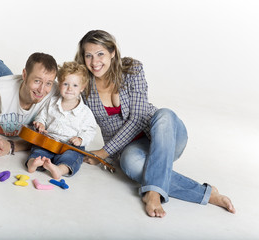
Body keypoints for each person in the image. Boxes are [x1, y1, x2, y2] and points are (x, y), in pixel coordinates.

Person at [75, 30, 236, 217]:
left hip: (164, 136)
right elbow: (69, 107)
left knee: (164, 114)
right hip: (131, 149)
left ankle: (153, 193)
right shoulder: (84, 85)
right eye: (89, 55)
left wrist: (103, 152)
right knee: (130, 163)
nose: (95, 62)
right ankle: (208, 194)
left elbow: (138, 118)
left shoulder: (132, 69)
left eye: (100, 54)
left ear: (112, 52)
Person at [0, 49, 58, 160]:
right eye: (37, 81)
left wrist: (12, 146)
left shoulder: (55, 91)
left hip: (17, 84)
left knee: (9, 77)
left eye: (48, 83)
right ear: (24, 75)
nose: (42, 90)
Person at [26, 62, 97, 179]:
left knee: (73, 156)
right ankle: (32, 163)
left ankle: (59, 170)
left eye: (75, 85)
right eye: (65, 84)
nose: (69, 88)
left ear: (82, 88)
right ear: (59, 85)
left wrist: (81, 139)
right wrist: (40, 124)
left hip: (70, 146)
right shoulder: (52, 102)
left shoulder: (85, 112)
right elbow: (41, 116)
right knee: (38, 150)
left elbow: (90, 130)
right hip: (49, 140)